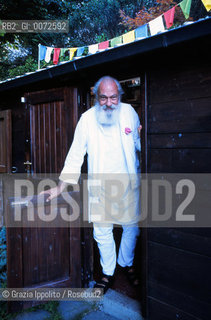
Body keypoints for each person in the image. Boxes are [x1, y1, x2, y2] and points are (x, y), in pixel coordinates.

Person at [41, 76, 142, 293]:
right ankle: (108, 272)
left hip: (128, 185)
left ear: (119, 96)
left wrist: (142, 136)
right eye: (103, 97)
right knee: (102, 231)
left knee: (132, 227)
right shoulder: (87, 119)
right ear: (96, 97)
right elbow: (76, 153)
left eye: (113, 97)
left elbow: (138, 145)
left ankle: (126, 263)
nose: (108, 103)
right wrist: (60, 187)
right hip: (100, 188)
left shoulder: (129, 113)